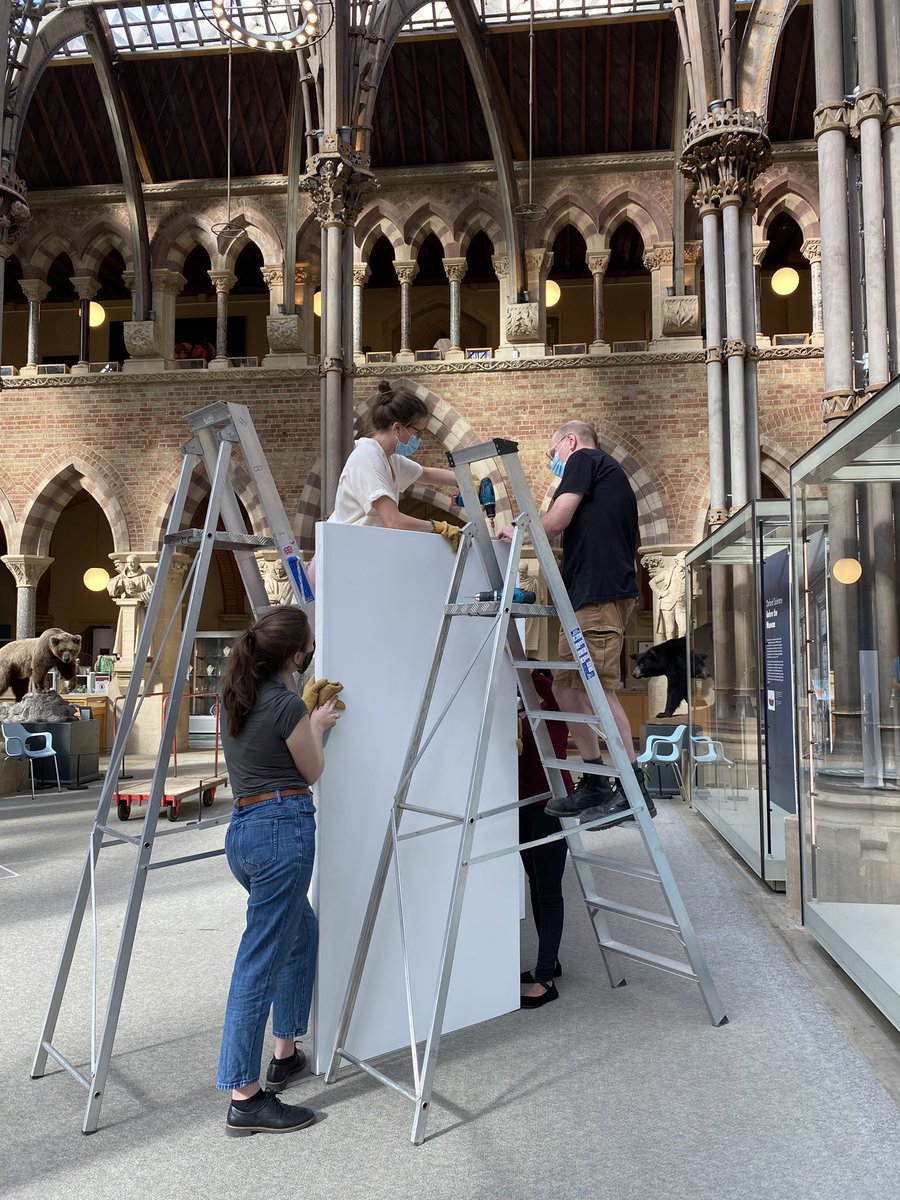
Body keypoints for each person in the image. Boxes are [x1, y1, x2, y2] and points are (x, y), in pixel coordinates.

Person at [216, 605, 342, 1137]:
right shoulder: (286, 704)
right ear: (296, 655)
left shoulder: (235, 699)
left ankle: (284, 1051)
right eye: (308, 644)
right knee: (259, 961)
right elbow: (311, 770)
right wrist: (315, 723)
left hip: (244, 832)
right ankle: (245, 1097)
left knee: (298, 935)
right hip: (280, 829)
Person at [501, 419, 655, 825]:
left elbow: (555, 520)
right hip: (585, 599)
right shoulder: (597, 472)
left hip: (601, 597)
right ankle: (592, 779)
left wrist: (515, 531)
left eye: (553, 454)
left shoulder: (584, 457)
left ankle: (633, 786)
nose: (555, 462)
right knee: (566, 691)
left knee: (599, 691)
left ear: (569, 441)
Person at [327, 379, 459, 539]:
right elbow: (393, 520)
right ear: (397, 428)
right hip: (347, 549)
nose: (418, 439)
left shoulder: (389, 458)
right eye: (418, 433)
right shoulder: (367, 457)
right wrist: (438, 527)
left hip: (363, 548)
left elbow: (425, 474)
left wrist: (467, 482)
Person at [518, 669, 572, 1008]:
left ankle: (546, 980)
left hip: (553, 804)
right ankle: (548, 962)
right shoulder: (520, 716)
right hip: (523, 807)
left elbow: (548, 688)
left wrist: (524, 667)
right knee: (535, 884)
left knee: (549, 890)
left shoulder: (553, 708)